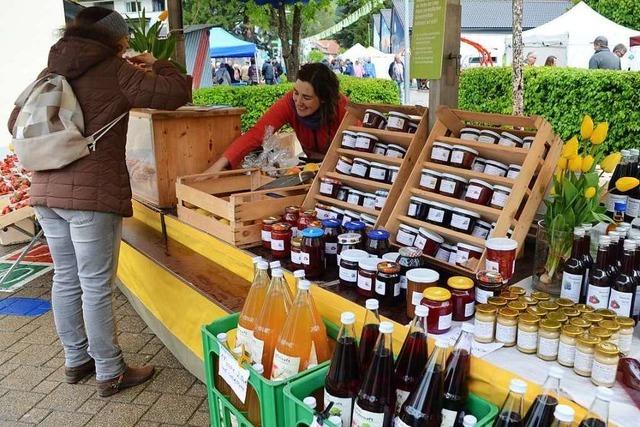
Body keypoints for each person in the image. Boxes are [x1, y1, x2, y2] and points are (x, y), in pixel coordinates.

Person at [7, 6, 191, 397]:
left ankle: (76, 360)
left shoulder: (51, 69)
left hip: (45, 191)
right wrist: (160, 65)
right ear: (117, 38)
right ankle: (110, 370)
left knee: (66, 278)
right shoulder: (116, 69)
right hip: (91, 195)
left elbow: (15, 120)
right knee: (95, 285)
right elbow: (175, 94)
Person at [205, 63, 348, 172]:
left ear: (323, 99)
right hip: (310, 167)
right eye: (296, 93)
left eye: (307, 97)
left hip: (341, 169)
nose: (298, 102)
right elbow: (257, 133)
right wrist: (218, 166)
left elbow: (359, 149)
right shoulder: (289, 103)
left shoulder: (344, 109)